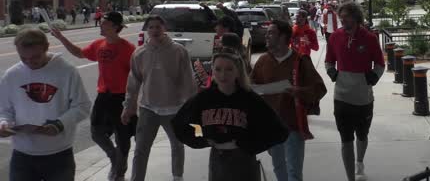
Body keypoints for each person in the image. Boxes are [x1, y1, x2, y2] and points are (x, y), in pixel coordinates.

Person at [172, 51, 289, 181]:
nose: (223, 74)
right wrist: (202, 140)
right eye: (218, 69)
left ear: (238, 71)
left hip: (243, 160)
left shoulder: (249, 99)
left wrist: (250, 145)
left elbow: (280, 131)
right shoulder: (203, 99)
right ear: (212, 70)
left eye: (229, 69)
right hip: (217, 158)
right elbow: (178, 124)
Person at [51, 11, 137, 181]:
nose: (100, 25)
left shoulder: (128, 49)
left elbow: (137, 76)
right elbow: (79, 53)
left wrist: (132, 102)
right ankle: (114, 157)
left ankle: (119, 172)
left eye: (104, 23)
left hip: (121, 98)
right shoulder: (99, 44)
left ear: (114, 26)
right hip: (103, 96)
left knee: (123, 138)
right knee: (96, 133)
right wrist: (61, 38)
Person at [0, 28, 91, 181]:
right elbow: (5, 109)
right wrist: (4, 123)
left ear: (47, 47)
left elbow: (82, 106)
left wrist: (59, 124)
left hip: (59, 154)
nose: (29, 62)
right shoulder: (12, 75)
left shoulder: (66, 71)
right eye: (23, 58)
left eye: (35, 57)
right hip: (22, 154)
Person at [121, 15, 198, 181]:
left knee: (177, 144)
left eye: (158, 27)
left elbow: (187, 79)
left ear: (164, 28)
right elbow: (133, 83)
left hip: (174, 108)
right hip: (148, 107)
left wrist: (192, 107)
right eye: (151, 27)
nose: (155, 30)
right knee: (141, 148)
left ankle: (177, 176)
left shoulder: (178, 51)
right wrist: (128, 107)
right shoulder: (139, 53)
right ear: (147, 30)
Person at [251, 20, 327, 181]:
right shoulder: (263, 61)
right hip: (271, 125)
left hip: (293, 125)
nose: (267, 36)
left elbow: (319, 89)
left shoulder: (300, 61)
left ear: (283, 37)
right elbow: (251, 86)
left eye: (271, 33)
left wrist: (298, 91)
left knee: (293, 172)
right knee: (279, 168)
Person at [325, 2, 385, 181]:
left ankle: (360, 162)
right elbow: (329, 61)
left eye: (346, 17)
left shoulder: (369, 38)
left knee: (362, 135)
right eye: (341, 17)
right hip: (341, 97)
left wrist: (372, 78)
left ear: (356, 17)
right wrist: (333, 73)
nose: (343, 20)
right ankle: (350, 178)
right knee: (345, 139)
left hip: (363, 98)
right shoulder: (335, 37)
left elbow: (380, 63)